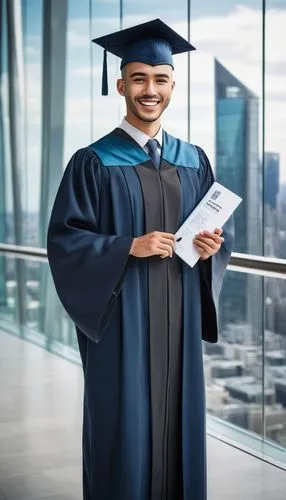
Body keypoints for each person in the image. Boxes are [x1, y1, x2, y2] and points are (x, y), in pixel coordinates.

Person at [47, 18, 234, 500]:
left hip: (178, 319)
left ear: (172, 85)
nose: (150, 89)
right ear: (121, 84)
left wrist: (213, 246)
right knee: (121, 427)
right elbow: (65, 241)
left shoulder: (193, 159)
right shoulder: (93, 162)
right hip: (122, 322)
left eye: (160, 79)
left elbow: (211, 234)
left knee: (180, 425)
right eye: (139, 78)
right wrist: (126, 245)